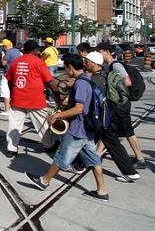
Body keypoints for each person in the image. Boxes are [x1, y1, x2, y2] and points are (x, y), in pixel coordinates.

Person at [25, 53, 109, 202]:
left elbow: (79, 109)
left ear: (70, 67)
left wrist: (57, 116)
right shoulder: (86, 80)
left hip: (78, 128)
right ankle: (102, 190)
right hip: (87, 130)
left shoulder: (81, 83)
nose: (65, 71)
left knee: (62, 156)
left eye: (65, 67)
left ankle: (44, 181)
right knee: (94, 159)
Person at [84, 52, 141, 182]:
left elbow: (89, 100)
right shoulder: (106, 75)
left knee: (81, 139)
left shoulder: (95, 80)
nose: (85, 63)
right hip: (111, 115)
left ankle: (78, 165)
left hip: (102, 118)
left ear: (93, 63)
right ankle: (130, 172)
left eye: (87, 61)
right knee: (112, 143)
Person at [96, 42, 147, 170]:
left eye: (99, 52)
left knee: (127, 131)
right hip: (114, 104)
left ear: (106, 52)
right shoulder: (107, 65)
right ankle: (96, 155)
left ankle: (140, 158)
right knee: (108, 130)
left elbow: (127, 82)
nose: (98, 55)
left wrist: (111, 86)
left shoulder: (115, 65)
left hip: (121, 104)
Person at [5, 40, 58, 158]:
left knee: (14, 123)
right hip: (35, 99)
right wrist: (57, 96)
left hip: (18, 97)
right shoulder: (38, 62)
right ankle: (48, 145)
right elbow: (50, 81)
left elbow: (9, 80)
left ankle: (11, 148)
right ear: (35, 50)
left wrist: (12, 92)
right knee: (41, 123)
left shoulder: (16, 62)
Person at [0, 39, 22, 116]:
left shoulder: (8, 52)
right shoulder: (17, 51)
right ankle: (14, 108)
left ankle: (7, 110)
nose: (2, 48)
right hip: (16, 74)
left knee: (5, 92)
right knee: (13, 92)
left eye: (3, 47)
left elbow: (4, 63)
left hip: (7, 74)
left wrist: (2, 56)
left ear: (6, 46)